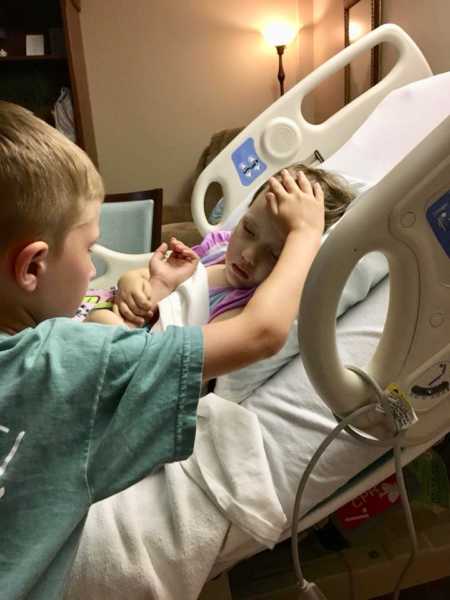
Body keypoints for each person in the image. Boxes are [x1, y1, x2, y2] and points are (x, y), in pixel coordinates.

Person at [0, 101, 324, 599]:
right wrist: (305, 236)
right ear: (31, 268)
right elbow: (262, 334)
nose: (93, 271)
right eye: (89, 250)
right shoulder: (71, 360)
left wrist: (155, 287)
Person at [87, 163, 354, 328]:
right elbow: (150, 274)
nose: (249, 255)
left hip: (140, 342)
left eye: (276, 254)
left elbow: (191, 356)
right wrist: (131, 283)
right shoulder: (217, 249)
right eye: (248, 229)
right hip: (114, 309)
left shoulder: (245, 305)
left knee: (101, 325)